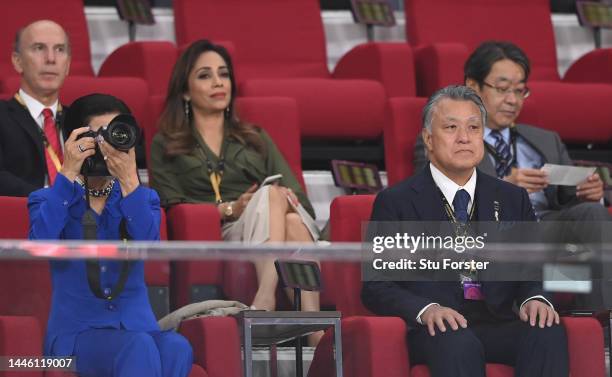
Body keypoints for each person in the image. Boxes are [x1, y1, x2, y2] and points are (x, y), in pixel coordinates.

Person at [362, 85, 568, 377]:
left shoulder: (511, 197)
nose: (464, 137)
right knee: (459, 343)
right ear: (428, 139)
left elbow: (533, 267)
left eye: (473, 127)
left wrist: (535, 297)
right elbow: (376, 286)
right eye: (451, 127)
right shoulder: (397, 201)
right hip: (436, 327)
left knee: (547, 332)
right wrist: (427, 309)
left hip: (496, 320)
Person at [149, 40, 321, 328]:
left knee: (280, 205)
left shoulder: (255, 138)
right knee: (277, 204)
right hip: (217, 232)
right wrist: (230, 209)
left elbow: (302, 203)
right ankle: (312, 331)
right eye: (205, 75)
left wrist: (272, 200)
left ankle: (266, 301)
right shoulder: (167, 144)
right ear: (185, 92)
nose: (218, 82)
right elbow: (169, 206)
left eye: (224, 74)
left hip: (267, 225)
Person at [28, 94, 193, 377]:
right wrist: (67, 172)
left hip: (137, 328)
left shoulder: (143, 199)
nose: (106, 148)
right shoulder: (48, 198)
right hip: (76, 336)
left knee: (177, 347)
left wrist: (130, 181)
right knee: (137, 347)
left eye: (113, 136)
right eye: (96, 137)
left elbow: (150, 250)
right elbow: (38, 245)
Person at [414, 41, 609, 222]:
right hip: (487, 232)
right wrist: (502, 188)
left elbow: (569, 201)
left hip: (546, 226)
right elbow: (433, 199)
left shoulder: (547, 140)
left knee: (593, 212)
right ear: (473, 86)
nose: (512, 100)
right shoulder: (442, 138)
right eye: (502, 88)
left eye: (519, 90)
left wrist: (590, 193)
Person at [0, 20, 70, 196]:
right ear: (18, 61)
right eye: (39, 48)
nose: (51, 59)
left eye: (59, 49)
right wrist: (51, 200)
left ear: (68, 65)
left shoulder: (81, 121)